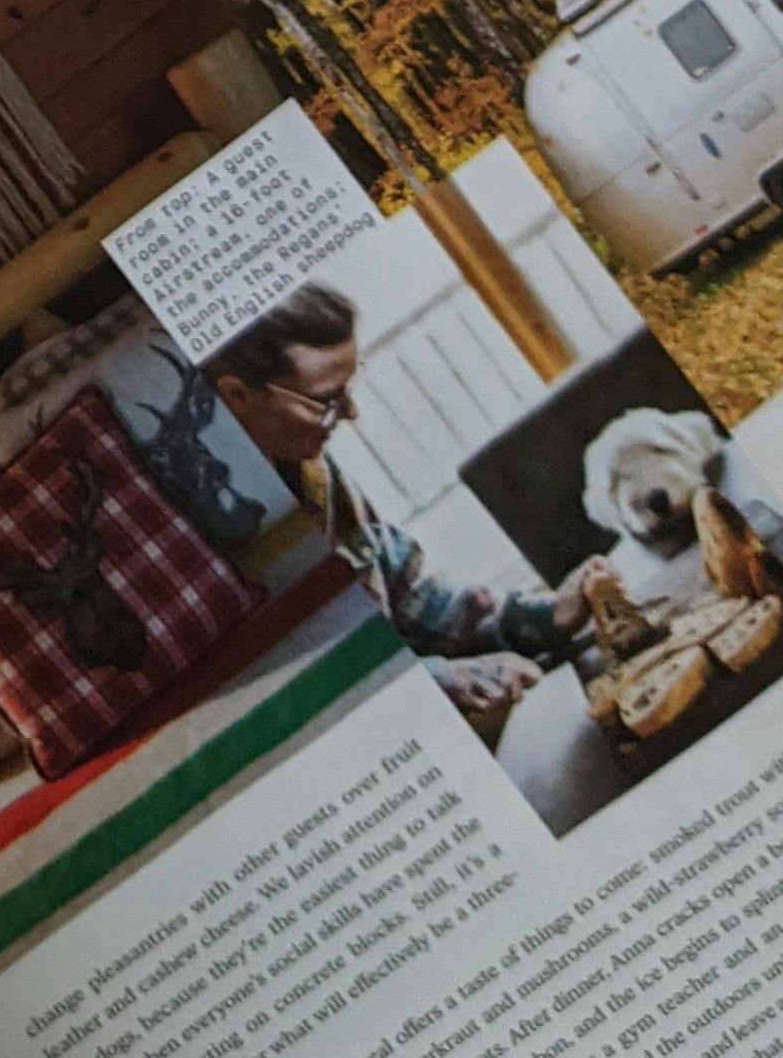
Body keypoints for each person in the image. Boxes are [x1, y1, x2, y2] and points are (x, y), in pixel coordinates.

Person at [210, 282, 594, 741]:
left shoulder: (315, 471)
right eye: (327, 400)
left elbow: (410, 595)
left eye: (350, 388)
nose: (350, 413)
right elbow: (302, 692)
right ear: (236, 395)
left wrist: (541, 618)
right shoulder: (216, 539)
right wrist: (448, 681)